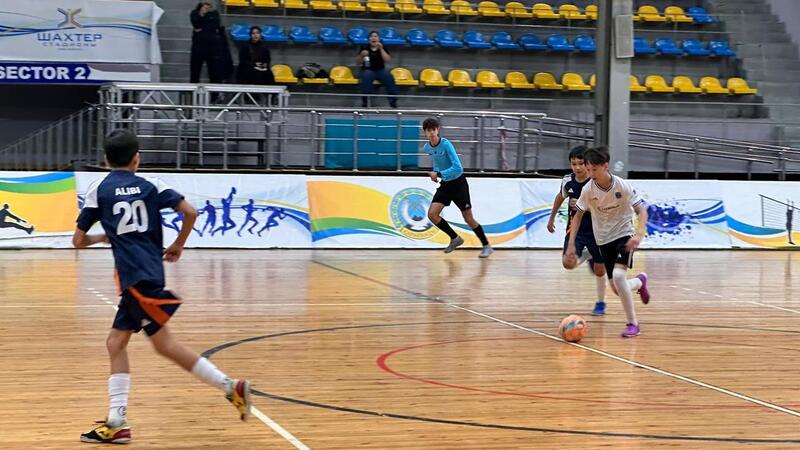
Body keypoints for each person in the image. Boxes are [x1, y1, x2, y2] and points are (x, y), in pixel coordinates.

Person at [73, 129, 251, 444]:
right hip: (150, 275)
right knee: (122, 343)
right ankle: (118, 420)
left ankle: (228, 386)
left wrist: (103, 236)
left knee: (154, 345)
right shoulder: (152, 184)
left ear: (105, 159)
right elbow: (190, 212)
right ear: (137, 159)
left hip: (133, 279)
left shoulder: (98, 189)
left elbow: (78, 241)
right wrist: (178, 245)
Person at [566, 147, 650, 338]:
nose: (591, 174)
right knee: (617, 288)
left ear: (605, 166)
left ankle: (633, 324)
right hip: (603, 240)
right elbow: (577, 216)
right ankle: (639, 282)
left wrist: (638, 235)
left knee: (619, 277)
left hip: (624, 235)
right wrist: (571, 243)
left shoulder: (622, 186)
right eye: (589, 170)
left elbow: (642, 211)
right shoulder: (588, 190)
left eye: (594, 169)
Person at [546, 146, 607, 316]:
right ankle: (586, 255)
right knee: (567, 263)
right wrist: (551, 218)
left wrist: (583, 206)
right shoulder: (568, 181)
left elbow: (605, 208)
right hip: (575, 230)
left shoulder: (597, 182)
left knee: (600, 270)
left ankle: (601, 303)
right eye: (574, 164)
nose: (577, 167)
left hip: (598, 230)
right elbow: (560, 197)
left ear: (588, 164)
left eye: (581, 163)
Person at [423, 117, 493, 258]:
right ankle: (455, 238)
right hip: (445, 185)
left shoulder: (446, 144)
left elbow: (458, 168)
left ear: (438, 130)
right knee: (432, 214)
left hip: (458, 184)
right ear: (425, 132)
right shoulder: (427, 147)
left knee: (468, 218)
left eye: (433, 130)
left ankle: (486, 245)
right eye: (428, 130)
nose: (431, 133)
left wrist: (439, 173)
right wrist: (435, 173)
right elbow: (437, 162)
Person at [190, 2, 230, 84]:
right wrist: (202, 15)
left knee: (214, 73)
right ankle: (193, 90)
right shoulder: (194, 13)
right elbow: (196, 24)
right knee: (195, 72)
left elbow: (215, 25)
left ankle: (214, 91)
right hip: (198, 47)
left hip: (212, 47)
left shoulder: (214, 13)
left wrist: (202, 27)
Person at [357, 31, 398, 108]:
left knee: (390, 79)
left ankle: (393, 103)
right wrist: (361, 55)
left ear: (379, 39)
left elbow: (387, 60)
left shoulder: (383, 48)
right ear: (369, 39)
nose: (374, 38)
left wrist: (381, 49)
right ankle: (365, 102)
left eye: (376, 36)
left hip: (380, 70)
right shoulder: (364, 47)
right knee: (366, 80)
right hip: (368, 70)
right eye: (372, 36)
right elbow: (358, 62)